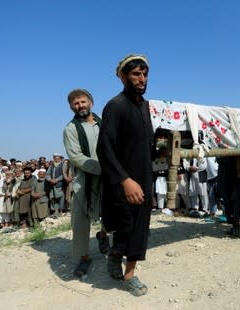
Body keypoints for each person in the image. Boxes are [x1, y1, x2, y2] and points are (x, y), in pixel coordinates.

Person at [96, 54, 154, 296]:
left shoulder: (145, 106)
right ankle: (129, 275)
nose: (142, 79)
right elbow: (104, 148)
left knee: (137, 227)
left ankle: (115, 256)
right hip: (125, 181)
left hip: (144, 177)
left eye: (144, 73)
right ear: (122, 77)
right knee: (129, 227)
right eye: (135, 74)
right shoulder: (115, 106)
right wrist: (126, 180)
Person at [63, 88, 109, 278]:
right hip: (84, 180)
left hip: (107, 178)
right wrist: (103, 168)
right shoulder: (71, 129)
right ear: (71, 107)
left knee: (109, 211)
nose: (80, 105)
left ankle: (104, 236)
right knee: (81, 221)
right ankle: (84, 257)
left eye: (83, 101)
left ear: (91, 102)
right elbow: (76, 157)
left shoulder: (104, 124)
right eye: (76, 103)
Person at [46, 153, 66, 218]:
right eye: (54, 157)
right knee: (53, 198)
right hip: (52, 185)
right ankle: (56, 211)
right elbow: (48, 174)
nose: (55, 159)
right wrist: (50, 180)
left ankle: (61, 211)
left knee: (61, 198)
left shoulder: (63, 164)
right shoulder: (51, 165)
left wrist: (56, 180)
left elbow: (64, 175)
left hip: (60, 184)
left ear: (60, 158)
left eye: (57, 157)